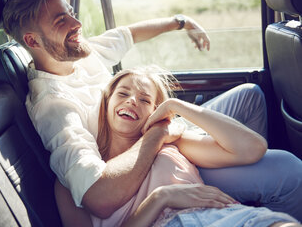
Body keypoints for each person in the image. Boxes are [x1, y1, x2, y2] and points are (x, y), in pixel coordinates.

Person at [2, 0, 302, 221]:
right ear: (32, 41)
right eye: (60, 20)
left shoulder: (80, 52)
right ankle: (220, 185)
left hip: (162, 139)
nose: (76, 24)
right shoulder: (55, 108)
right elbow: (100, 197)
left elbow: (128, 34)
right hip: (147, 159)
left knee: (249, 96)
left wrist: (181, 22)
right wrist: (159, 133)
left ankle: (233, 191)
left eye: (71, 12)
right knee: (288, 171)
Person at [55, 66, 300, 226]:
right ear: (107, 102)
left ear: (154, 112)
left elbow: (253, 148)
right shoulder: (79, 177)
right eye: (123, 93)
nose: (132, 100)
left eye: (145, 100)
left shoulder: (170, 143)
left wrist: (176, 106)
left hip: (225, 217)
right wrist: (161, 197)